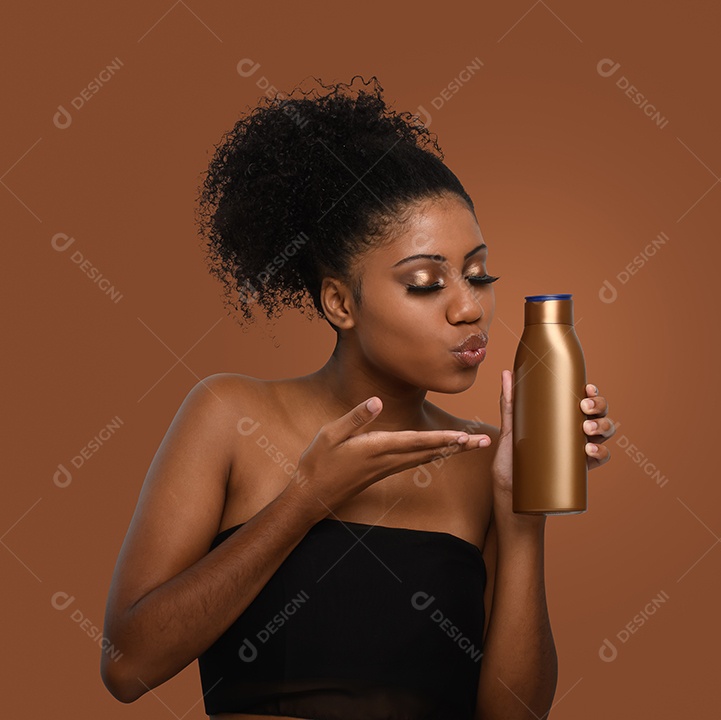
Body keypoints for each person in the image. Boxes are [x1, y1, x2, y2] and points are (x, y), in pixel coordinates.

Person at [99, 75, 615, 719]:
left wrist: (522, 511)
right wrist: (307, 499)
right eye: (426, 283)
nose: (469, 308)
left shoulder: (485, 460)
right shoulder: (230, 415)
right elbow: (127, 667)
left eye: (479, 274)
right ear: (340, 301)